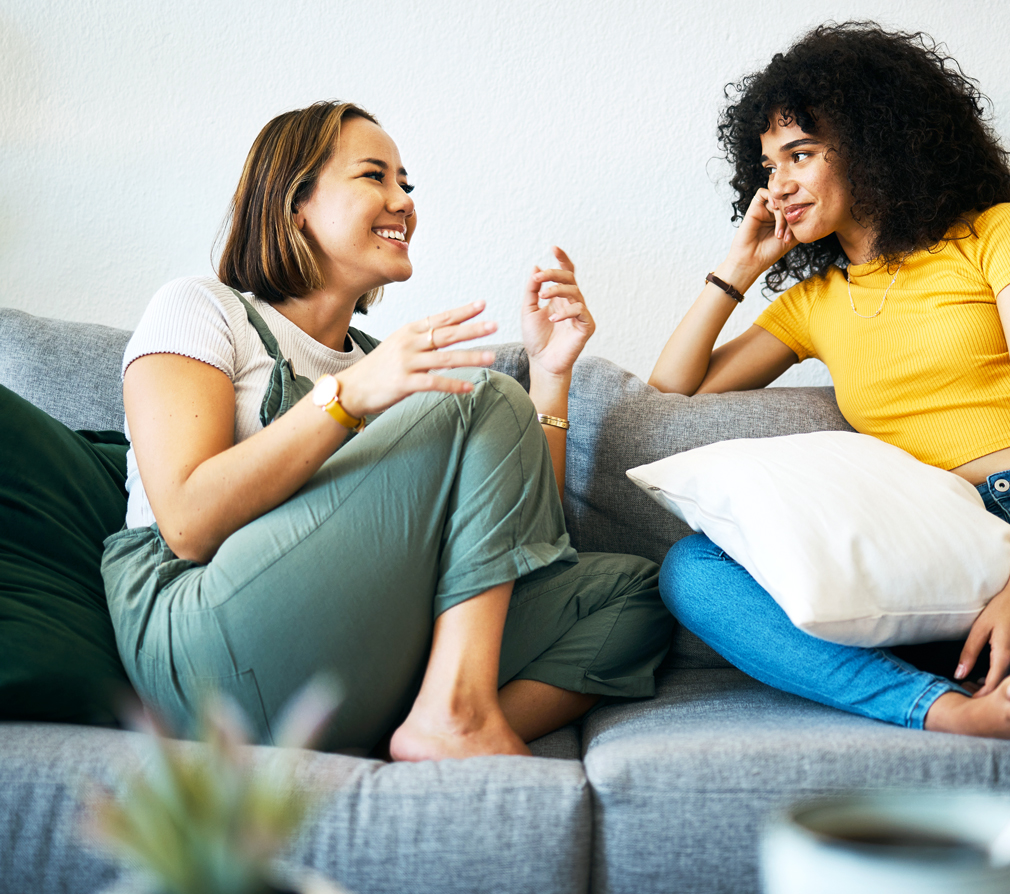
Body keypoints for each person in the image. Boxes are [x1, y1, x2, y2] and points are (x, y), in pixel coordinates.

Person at [649, 22, 1010, 747]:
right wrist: (737, 270)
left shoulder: (994, 235)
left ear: (872, 141)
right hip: (936, 545)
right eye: (768, 165)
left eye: (800, 154)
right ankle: (945, 707)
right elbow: (672, 391)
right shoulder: (814, 304)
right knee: (694, 570)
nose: (778, 184)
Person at [103, 101, 673, 760]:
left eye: (406, 183)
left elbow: (516, 538)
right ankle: (454, 713)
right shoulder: (204, 309)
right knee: (482, 394)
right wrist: (350, 395)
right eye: (375, 176)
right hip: (202, 639)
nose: (403, 200)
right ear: (296, 204)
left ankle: (432, 720)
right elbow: (187, 520)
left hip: (353, 650)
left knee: (639, 594)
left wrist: (549, 377)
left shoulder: (383, 360)